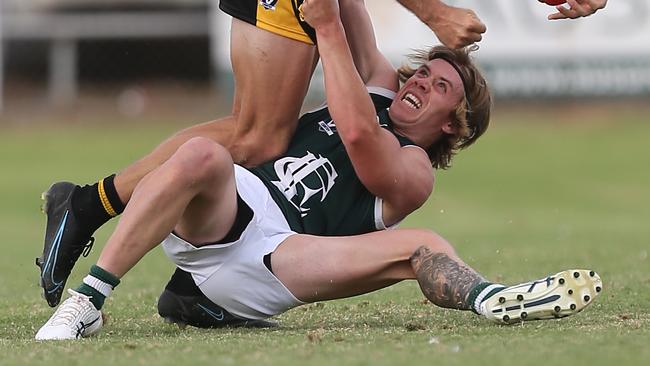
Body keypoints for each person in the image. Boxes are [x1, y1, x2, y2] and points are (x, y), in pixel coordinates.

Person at [35, 0, 601, 340]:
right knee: (207, 155)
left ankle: (492, 297)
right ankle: (86, 302)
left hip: (280, 260)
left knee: (422, 242)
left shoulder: (415, 170)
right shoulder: (381, 81)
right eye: (422, 73)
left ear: (454, 125)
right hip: (227, 215)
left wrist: (327, 30)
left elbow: (357, 135)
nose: (419, 83)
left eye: (438, 88)